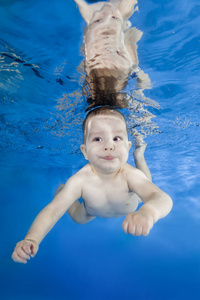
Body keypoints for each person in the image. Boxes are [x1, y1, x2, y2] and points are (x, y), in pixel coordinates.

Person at [12, 107, 173, 264]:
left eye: (117, 138)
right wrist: (32, 238)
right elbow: (53, 211)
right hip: (90, 210)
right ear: (85, 151)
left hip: (132, 204)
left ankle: (139, 156)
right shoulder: (80, 180)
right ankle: (63, 191)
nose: (109, 146)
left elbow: (161, 198)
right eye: (97, 139)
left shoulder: (130, 175)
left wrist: (149, 212)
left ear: (127, 146)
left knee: (145, 188)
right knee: (79, 218)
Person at [74, 0, 151, 108]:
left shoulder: (90, 17)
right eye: (114, 17)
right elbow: (142, 78)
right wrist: (140, 91)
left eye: (98, 19)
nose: (107, 7)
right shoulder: (127, 60)